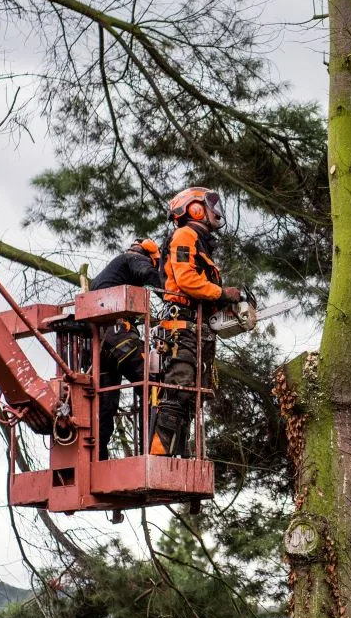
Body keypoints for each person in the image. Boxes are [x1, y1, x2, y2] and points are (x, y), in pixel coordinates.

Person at [151, 186, 242, 457]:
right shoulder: (185, 235)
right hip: (182, 327)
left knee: (191, 396)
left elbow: (200, 285)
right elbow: (186, 280)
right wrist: (221, 292)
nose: (216, 210)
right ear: (195, 208)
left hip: (197, 328)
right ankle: (158, 455)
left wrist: (224, 302)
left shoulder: (200, 242)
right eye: (210, 204)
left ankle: (180, 455)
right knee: (178, 390)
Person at [88, 238, 161, 460]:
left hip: (99, 345)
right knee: (155, 384)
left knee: (104, 405)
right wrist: (175, 295)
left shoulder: (108, 275)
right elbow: (150, 276)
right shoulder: (133, 259)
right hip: (119, 337)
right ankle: (153, 454)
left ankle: (96, 460)